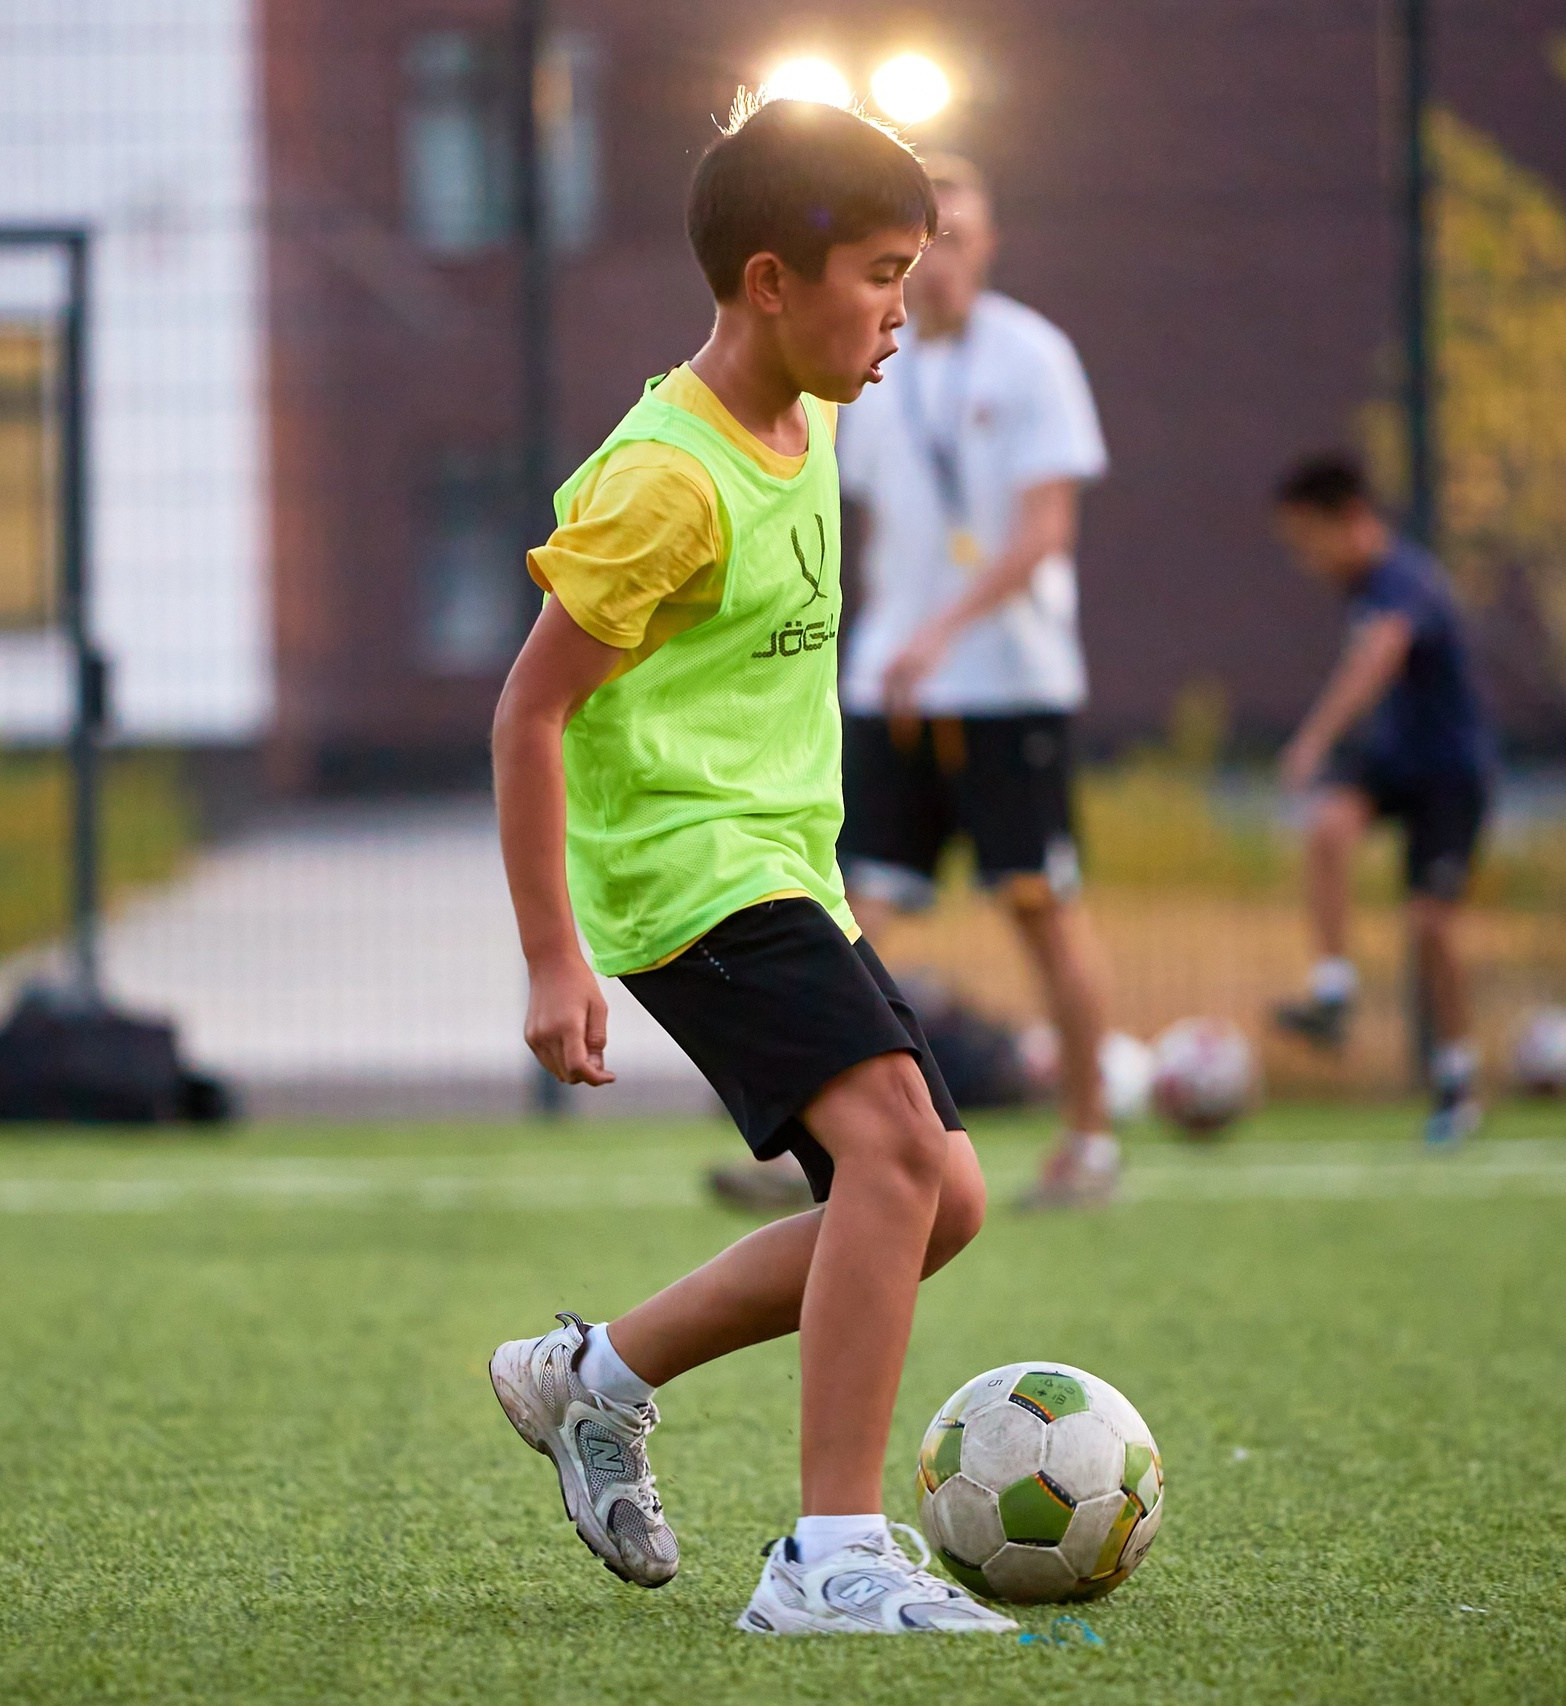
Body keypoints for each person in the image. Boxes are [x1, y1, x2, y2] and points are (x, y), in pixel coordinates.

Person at [484, 96, 1014, 1637]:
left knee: (941, 1199)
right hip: (686, 875)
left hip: (787, 868)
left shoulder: (814, 400)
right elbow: (529, 710)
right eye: (879, 275)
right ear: (770, 281)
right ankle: (829, 1556)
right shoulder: (663, 483)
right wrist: (550, 955)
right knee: (903, 1155)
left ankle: (595, 1376)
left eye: (913, 271)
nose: (902, 309)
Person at [707, 154, 1121, 1212]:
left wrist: (936, 631)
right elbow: (865, 528)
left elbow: (1042, 535)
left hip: (1006, 683)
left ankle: (1088, 1140)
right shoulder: (867, 367)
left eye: (962, 242)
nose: (936, 271)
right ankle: (819, 1152)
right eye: (924, 248)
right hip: (891, 685)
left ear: (990, 247)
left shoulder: (1033, 357)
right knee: (852, 910)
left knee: (1040, 904)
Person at [1266, 453, 1496, 1147]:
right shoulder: (1366, 584)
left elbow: (1379, 656)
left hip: (1450, 774)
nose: (1307, 560)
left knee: (1431, 927)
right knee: (1328, 827)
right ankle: (1334, 992)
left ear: (1352, 521)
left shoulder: (1405, 581)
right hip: (1394, 763)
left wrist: (1314, 738)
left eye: (1309, 541)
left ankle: (1458, 1078)